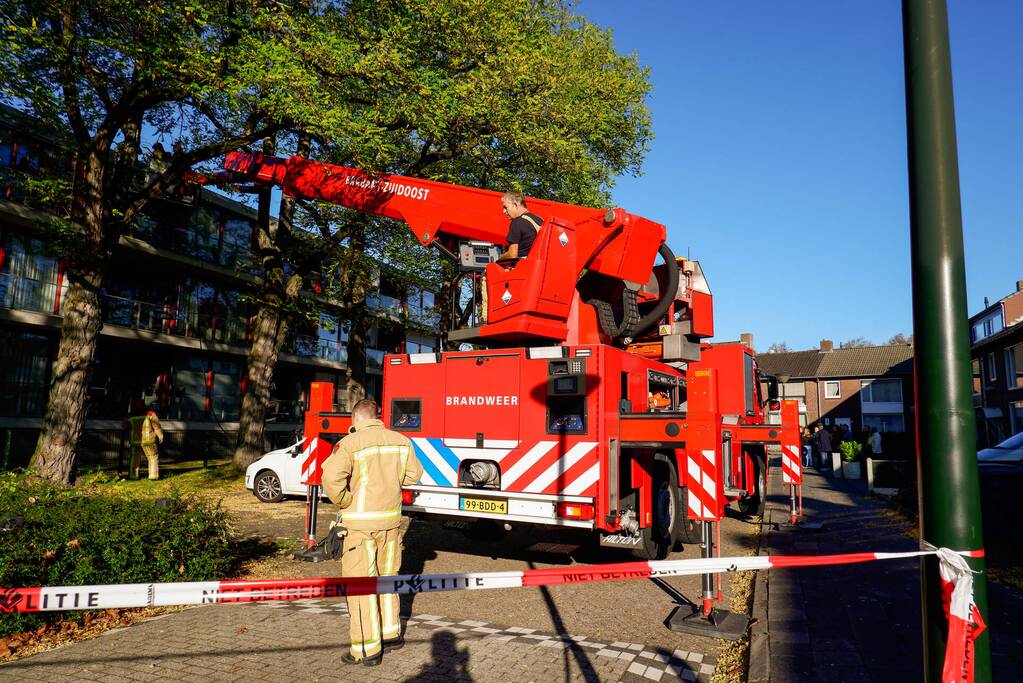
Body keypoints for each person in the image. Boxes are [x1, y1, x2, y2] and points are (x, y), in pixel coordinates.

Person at [320, 398, 424, 666]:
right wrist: (390, 484)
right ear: (376, 416)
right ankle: (391, 635)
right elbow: (414, 474)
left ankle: (366, 650)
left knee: (361, 587)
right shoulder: (400, 441)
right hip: (391, 524)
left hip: (359, 528)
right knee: (388, 580)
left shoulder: (350, 444)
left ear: (356, 419)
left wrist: (344, 500)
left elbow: (331, 479)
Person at [497, 191, 543, 261]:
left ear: (515, 204)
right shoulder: (540, 220)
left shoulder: (517, 222)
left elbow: (512, 255)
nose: (504, 211)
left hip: (524, 268)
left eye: (505, 207)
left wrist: (500, 258)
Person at [127, 399, 164, 480]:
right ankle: (153, 476)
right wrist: (160, 435)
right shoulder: (150, 413)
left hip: (134, 441)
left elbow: (125, 426)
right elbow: (156, 426)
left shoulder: (130, 415)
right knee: (152, 457)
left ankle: (133, 476)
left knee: (134, 459)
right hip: (149, 441)